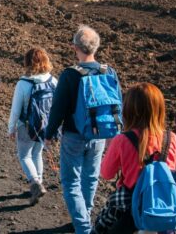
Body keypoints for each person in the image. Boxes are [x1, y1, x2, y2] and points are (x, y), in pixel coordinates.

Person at [45, 25, 122, 234]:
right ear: (96, 47)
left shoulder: (70, 75)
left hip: (73, 136)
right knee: (90, 178)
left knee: (71, 183)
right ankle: (84, 218)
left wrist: (49, 134)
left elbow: (58, 109)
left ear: (75, 47)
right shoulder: (109, 72)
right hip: (99, 134)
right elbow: (117, 105)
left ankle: (83, 227)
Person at [92, 83, 176, 234]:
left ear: (128, 110)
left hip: (130, 208)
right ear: (159, 109)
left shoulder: (122, 140)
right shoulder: (170, 138)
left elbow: (106, 173)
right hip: (164, 208)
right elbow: (174, 165)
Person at [8, 47, 57, 205]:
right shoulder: (53, 81)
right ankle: (39, 183)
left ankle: (35, 183)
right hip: (45, 126)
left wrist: (11, 128)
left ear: (27, 62)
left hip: (26, 126)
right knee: (37, 154)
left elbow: (16, 110)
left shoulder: (23, 83)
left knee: (24, 156)